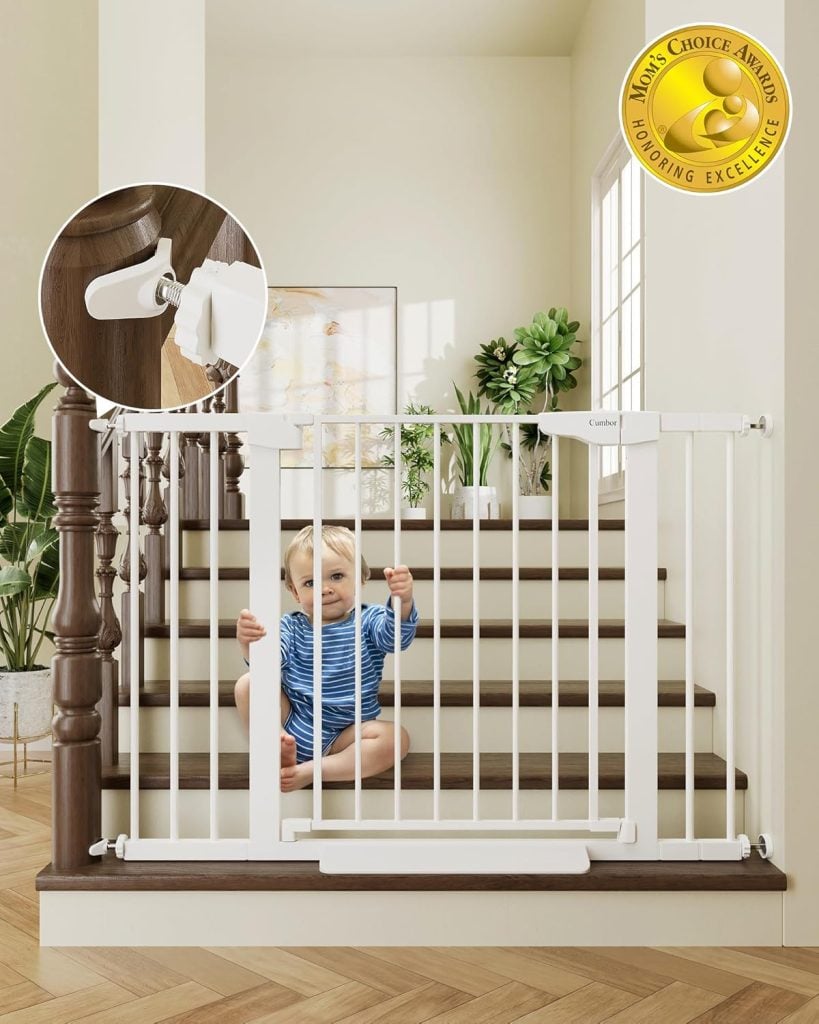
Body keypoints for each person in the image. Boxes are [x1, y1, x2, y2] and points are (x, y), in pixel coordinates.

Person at [234, 524, 417, 791]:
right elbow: (270, 661)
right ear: (295, 592)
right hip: (294, 722)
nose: (325, 589)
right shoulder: (291, 627)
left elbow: (395, 638)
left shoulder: (369, 620)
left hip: (347, 734)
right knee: (248, 683)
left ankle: (313, 770)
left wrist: (403, 602)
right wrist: (249, 643)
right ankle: (274, 745)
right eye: (310, 583)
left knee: (396, 738)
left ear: (361, 579)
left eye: (337, 576)